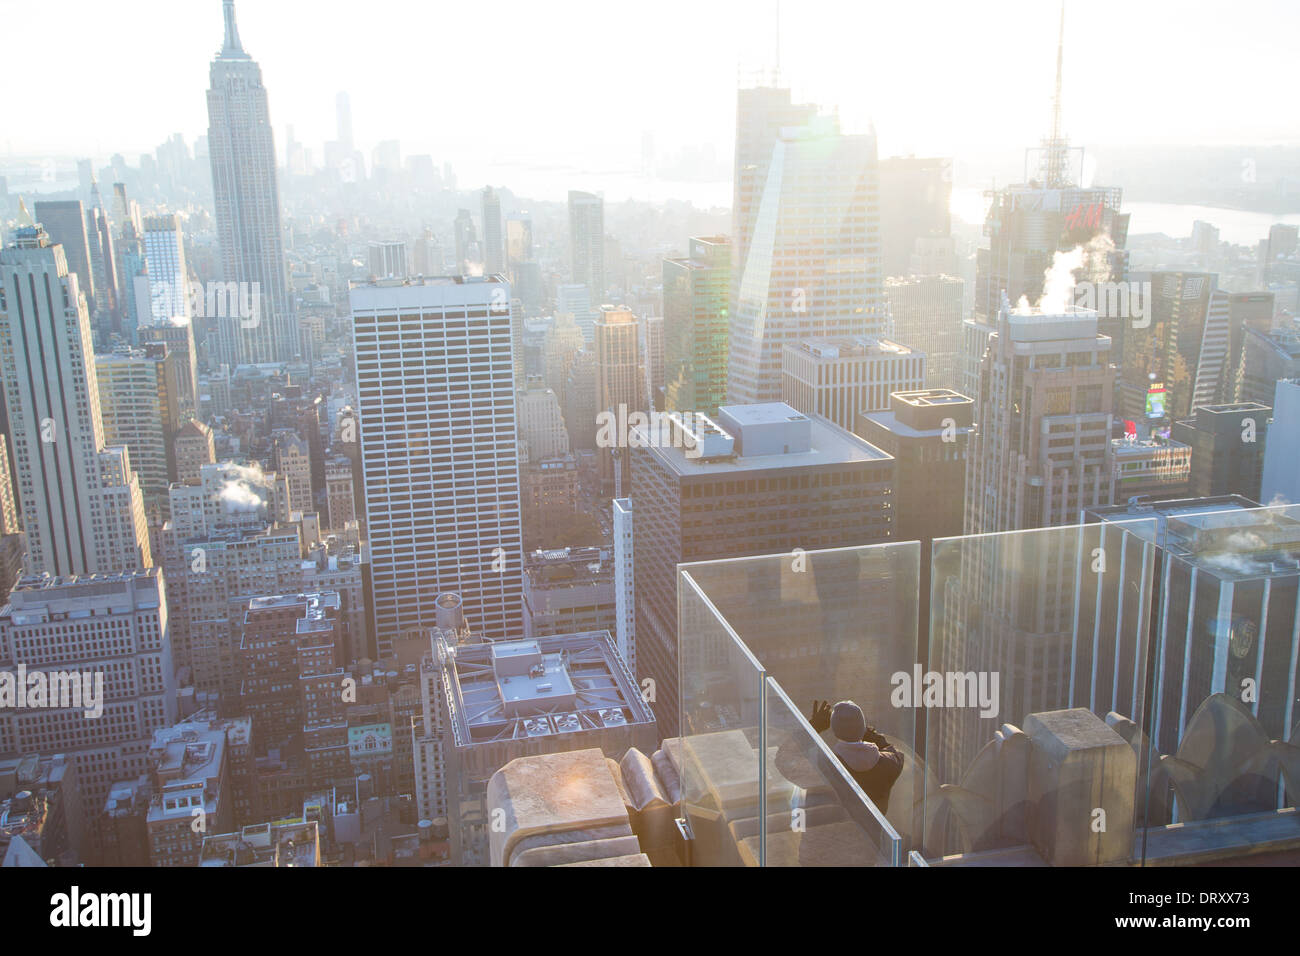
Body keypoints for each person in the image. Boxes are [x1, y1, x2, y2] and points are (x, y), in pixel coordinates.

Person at [808, 699, 903, 814]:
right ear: (862, 728)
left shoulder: (827, 766)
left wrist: (812, 728)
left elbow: (787, 760)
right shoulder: (889, 763)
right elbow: (892, 750)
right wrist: (865, 730)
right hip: (874, 831)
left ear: (834, 730)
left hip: (843, 828)